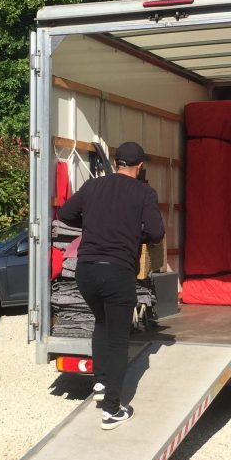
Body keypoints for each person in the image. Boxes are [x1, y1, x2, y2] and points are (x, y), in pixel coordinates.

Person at [57, 141, 165, 429]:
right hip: (117, 272)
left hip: (86, 271)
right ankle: (112, 410)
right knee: (118, 339)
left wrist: (94, 224)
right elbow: (156, 233)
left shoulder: (93, 186)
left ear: (117, 162)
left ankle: (101, 385)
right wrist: (133, 230)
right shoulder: (144, 192)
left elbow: (65, 214)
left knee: (102, 324)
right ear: (140, 166)